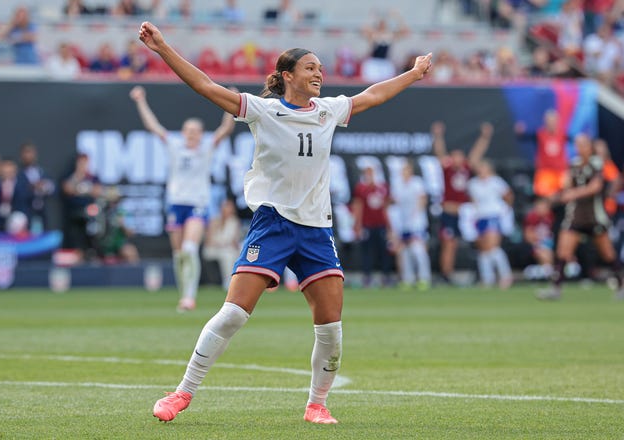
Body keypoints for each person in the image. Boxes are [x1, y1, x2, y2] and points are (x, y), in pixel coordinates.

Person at [137, 20, 432, 425]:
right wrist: (163, 48)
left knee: (331, 328)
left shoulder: (329, 111)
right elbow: (206, 86)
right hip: (272, 223)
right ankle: (182, 392)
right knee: (234, 314)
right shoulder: (264, 110)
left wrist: (414, 73)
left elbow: (374, 94)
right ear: (287, 76)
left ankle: (317, 404)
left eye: (320, 68)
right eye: (310, 68)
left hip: (316, 230)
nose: (319, 74)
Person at [129, 85, 235, 312]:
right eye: (188, 130)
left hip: (197, 203)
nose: (191, 134)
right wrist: (140, 100)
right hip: (176, 203)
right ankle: (183, 293)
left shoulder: (207, 147)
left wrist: (231, 103)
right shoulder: (175, 145)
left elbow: (225, 129)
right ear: (183, 132)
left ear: (201, 133)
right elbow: (153, 126)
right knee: (178, 255)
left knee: (189, 248)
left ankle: (190, 296)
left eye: (195, 130)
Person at [537, 133, 624, 301]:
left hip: (594, 216)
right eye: (578, 144)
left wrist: (573, 194)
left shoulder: (597, 164)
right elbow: (565, 186)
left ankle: (622, 285)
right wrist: (556, 196)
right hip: (576, 216)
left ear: (589, 146)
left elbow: (595, 187)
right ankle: (556, 289)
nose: (580, 148)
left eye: (584, 144)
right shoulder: (574, 165)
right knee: (563, 252)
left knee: (607, 253)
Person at [432, 120, 492, 284]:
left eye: (460, 156)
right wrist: (437, 136)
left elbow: (476, 154)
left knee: (478, 240)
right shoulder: (447, 169)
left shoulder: (466, 168)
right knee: (449, 244)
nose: (458, 159)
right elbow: (439, 152)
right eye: (455, 156)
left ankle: (482, 273)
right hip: (450, 213)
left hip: (465, 214)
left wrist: (484, 137)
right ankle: (446, 274)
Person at [467, 160, 514, 288]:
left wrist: (505, 211)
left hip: (494, 216)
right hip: (480, 217)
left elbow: (508, 196)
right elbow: (473, 202)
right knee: (483, 250)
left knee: (492, 247)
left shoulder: (496, 182)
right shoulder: (473, 184)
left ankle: (506, 276)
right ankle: (487, 278)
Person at [390, 160, 431, 290]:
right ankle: (408, 279)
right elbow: (395, 203)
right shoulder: (397, 185)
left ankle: (424, 278)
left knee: (417, 250)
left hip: (416, 222)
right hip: (403, 223)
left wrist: (415, 215)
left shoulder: (417, 183)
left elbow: (422, 200)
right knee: (404, 251)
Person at [351, 165, 392, 287]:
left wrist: (390, 226)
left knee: (384, 251)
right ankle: (367, 277)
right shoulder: (361, 188)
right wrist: (357, 225)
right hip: (367, 225)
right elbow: (358, 206)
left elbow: (386, 208)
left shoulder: (382, 187)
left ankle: (386, 276)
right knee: (367, 252)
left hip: (380, 224)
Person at [61, 153, 103, 262]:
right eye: (81, 162)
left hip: (90, 217)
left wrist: (80, 190)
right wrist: (78, 178)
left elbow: (97, 191)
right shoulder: (71, 176)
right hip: (75, 216)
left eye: (85, 162)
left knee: (93, 240)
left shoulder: (93, 177)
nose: (83, 165)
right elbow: (67, 189)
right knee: (77, 246)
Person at [203, 198, 241, 289]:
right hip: (213, 249)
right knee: (227, 255)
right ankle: (228, 282)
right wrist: (220, 244)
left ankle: (231, 281)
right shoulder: (214, 221)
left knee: (229, 254)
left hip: (227, 249)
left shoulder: (235, 222)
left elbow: (234, 241)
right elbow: (208, 240)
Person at [0, 160, 33, 233]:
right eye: (5, 172)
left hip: (17, 218)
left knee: (17, 219)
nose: (7, 174)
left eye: (10, 172)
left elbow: (24, 204)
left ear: (15, 171)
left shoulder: (22, 184)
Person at [18, 142, 55, 233]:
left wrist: (45, 186)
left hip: (42, 212)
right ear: (21, 155)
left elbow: (53, 188)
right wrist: (31, 188)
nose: (28, 155)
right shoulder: (18, 174)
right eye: (26, 152)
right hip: (26, 212)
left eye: (30, 152)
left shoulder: (42, 172)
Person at [522, 197, 555, 279]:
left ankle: (548, 271)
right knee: (544, 252)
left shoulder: (552, 217)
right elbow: (528, 236)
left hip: (552, 243)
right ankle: (550, 273)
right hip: (538, 244)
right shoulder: (532, 217)